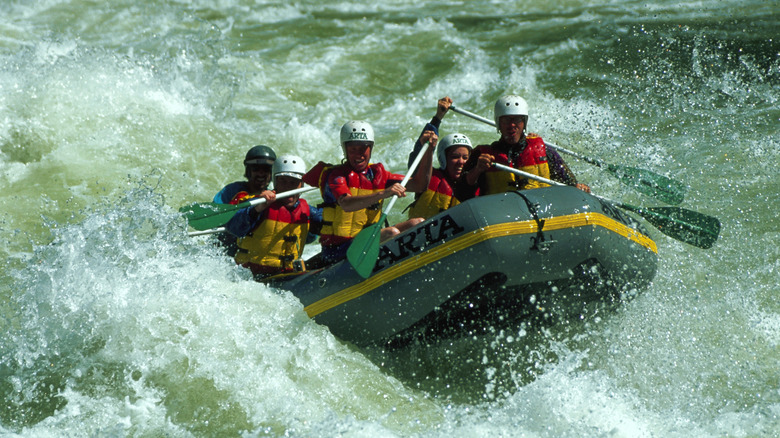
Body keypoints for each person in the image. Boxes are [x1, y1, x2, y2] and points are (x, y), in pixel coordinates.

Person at [307, 120, 436, 264]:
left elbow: (420, 185)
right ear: (345, 149)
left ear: (371, 148)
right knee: (391, 233)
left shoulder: (379, 175)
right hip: (338, 249)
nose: (358, 155)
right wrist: (384, 193)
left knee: (418, 223)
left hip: (366, 240)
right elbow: (346, 204)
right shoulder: (337, 176)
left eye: (363, 149)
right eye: (353, 149)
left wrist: (429, 150)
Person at [458, 95, 590, 198]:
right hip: (502, 219)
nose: (512, 125)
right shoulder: (482, 156)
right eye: (506, 120)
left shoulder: (544, 151)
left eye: (517, 119)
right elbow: (460, 193)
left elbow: (569, 184)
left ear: (524, 122)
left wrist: (578, 187)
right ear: (498, 123)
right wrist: (477, 170)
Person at [224, 154, 322, 279]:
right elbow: (234, 228)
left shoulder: (307, 211)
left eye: (293, 183)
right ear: (275, 182)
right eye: (283, 182)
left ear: (301, 186)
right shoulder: (257, 203)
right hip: (251, 277)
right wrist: (258, 209)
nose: (288, 187)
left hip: (286, 275)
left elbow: (330, 224)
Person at [406, 96, 473, 219]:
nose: (461, 162)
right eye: (455, 157)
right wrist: (438, 117)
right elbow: (419, 154)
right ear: (443, 158)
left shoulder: (473, 183)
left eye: (465, 157)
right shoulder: (426, 177)